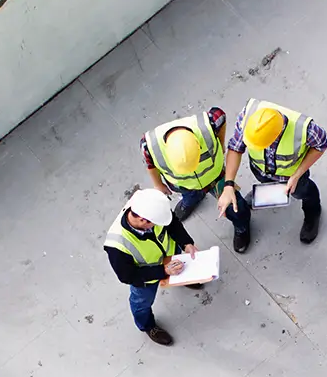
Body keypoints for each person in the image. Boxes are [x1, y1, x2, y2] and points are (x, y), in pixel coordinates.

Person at [142, 107, 253, 253]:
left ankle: (241, 226)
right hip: (185, 184)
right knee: (189, 195)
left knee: (234, 205)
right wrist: (158, 184)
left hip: (216, 177)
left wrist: (221, 143)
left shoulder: (210, 123)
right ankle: (193, 199)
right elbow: (150, 164)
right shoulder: (150, 145)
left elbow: (221, 117)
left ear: (197, 143)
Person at [222, 99, 327, 245]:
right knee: (266, 184)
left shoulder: (304, 129)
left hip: (292, 177)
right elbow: (235, 148)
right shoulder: (248, 118)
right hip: (261, 170)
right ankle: (267, 191)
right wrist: (228, 185)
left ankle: (313, 213)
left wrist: (297, 175)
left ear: (275, 138)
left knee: (305, 192)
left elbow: (321, 144)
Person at [103, 188, 195, 347]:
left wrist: (186, 243)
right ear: (143, 221)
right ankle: (148, 326)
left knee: (181, 269)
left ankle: (183, 278)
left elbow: (173, 224)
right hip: (146, 278)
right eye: (155, 223)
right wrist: (163, 271)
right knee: (141, 303)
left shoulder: (152, 210)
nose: (159, 224)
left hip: (172, 255)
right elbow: (127, 276)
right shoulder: (116, 245)